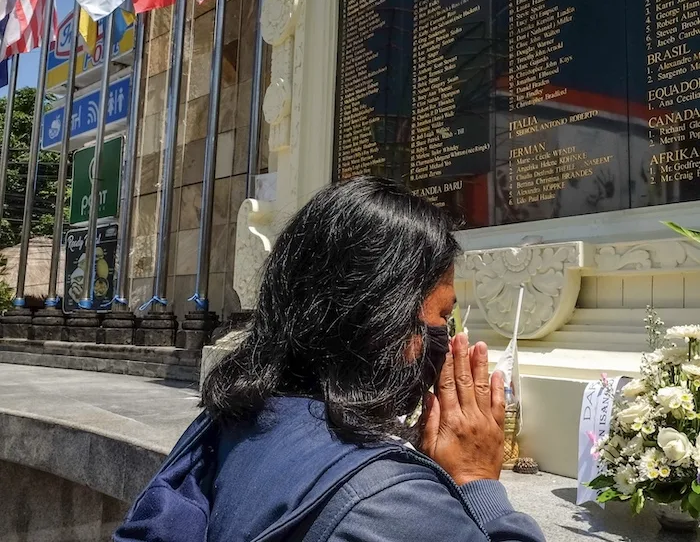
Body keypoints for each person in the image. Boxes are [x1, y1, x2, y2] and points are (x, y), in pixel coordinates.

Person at [114, 177, 545, 542]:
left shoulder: (231, 422)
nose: (447, 340)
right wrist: (476, 482)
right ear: (387, 320)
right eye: (444, 316)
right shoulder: (392, 503)